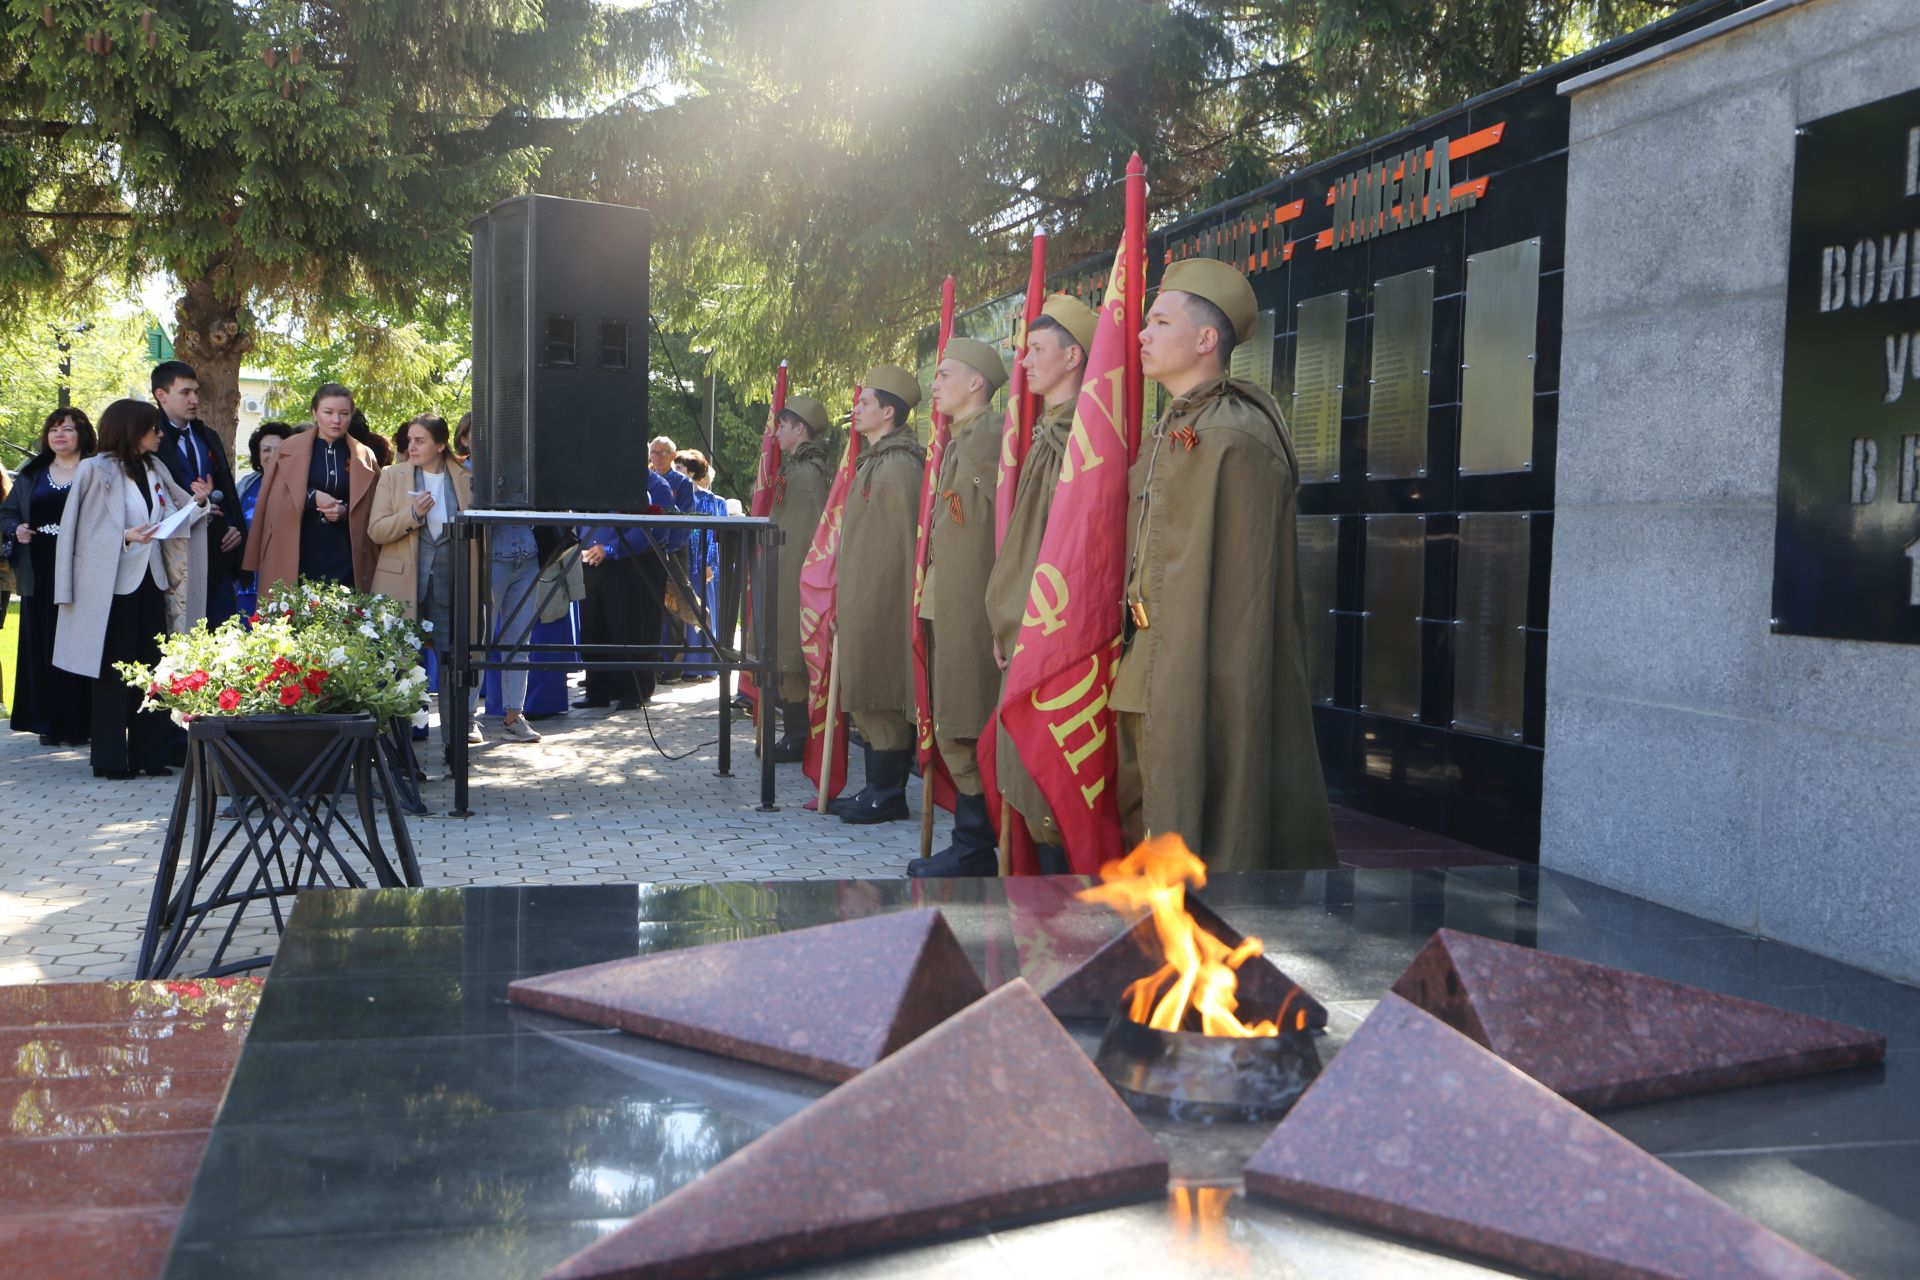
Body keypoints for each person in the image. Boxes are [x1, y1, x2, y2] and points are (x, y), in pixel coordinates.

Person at [1115, 258, 1337, 871]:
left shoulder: (1235, 436)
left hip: (1202, 667)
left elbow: (1244, 594)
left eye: (1160, 321)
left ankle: (1197, 942)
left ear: (1206, 340)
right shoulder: (1171, 427)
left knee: (1203, 812)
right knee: (1144, 804)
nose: (1142, 334)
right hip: (1149, 657)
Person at [982, 294, 1098, 874]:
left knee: (1048, 768)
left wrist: (1022, 621)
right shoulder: (1047, 431)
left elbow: (1062, 551)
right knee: (1020, 766)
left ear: (1074, 357)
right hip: (1022, 624)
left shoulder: (1078, 438)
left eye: (1038, 351)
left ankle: (1060, 908)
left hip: (1050, 629)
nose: (1024, 362)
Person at [53, 399, 212, 779]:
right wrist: (123, 536)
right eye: (153, 428)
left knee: (152, 667)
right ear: (131, 429)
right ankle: (109, 759)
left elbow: (175, 513)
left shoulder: (155, 467)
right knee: (113, 672)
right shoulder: (94, 470)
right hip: (109, 586)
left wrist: (200, 503)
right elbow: (77, 532)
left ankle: (149, 754)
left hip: (151, 580)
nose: (159, 434)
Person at [905, 337, 1009, 876]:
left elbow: (1003, 524)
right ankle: (968, 842)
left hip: (974, 603)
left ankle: (975, 848)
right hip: (947, 601)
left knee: (966, 721)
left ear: (976, 383)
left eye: (946, 374)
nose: (935, 384)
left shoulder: (989, 436)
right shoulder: (958, 439)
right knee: (951, 719)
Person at [828, 366, 926, 825]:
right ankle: (875, 787)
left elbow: (901, 545)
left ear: (889, 411)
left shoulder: (898, 465)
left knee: (883, 691)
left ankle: (889, 793)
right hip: (864, 595)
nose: (857, 407)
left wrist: (882, 601)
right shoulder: (875, 460)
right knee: (866, 690)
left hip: (884, 599)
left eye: (865, 402)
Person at [368, 414, 482, 755]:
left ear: (440, 445)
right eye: (409, 441)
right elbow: (376, 530)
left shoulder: (467, 477)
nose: (411, 447)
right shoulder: (392, 476)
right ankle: (401, 752)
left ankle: (454, 747)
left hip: (454, 587)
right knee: (401, 667)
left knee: (453, 668)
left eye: (420, 441)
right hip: (403, 588)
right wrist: (412, 515)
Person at [2, 408, 97, 745]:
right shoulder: (33, 473)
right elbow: (8, 512)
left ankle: (80, 724)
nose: (59, 435)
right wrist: (17, 529)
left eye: (68, 429)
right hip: (39, 570)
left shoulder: (97, 470)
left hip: (83, 569)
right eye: (53, 429)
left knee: (76, 643)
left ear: (82, 434)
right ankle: (48, 723)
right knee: (43, 642)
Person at [243, 383, 381, 594]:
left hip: (346, 554)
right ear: (314, 412)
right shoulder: (288, 449)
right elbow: (272, 501)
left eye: (344, 413)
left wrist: (344, 510)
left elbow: (375, 506)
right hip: (297, 550)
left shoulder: (365, 456)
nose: (336, 420)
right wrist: (311, 497)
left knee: (345, 619)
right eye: (328, 412)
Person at [763, 398, 834, 761]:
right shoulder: (799, 469)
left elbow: (804, 533)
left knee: (794, 654)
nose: (775, 434)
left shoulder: (806, 474)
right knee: (788, 656)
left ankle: (798, 737)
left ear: (800, 428)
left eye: (782, 425)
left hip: (796, 574)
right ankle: (794, 733)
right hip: (788, 570)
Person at [151, 360, 246, 626]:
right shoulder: (149, 441)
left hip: (218, 553)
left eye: (196, 392)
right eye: (185, 393)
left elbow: (225, 489)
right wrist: (195, 507)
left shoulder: (208, 435)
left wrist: (233, 527)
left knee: (224, 635)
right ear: (162, 396)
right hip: (175, 556)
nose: (194, 400)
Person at [575, 467, 676, 711]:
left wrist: (609, 549)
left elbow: (655, 529)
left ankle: (636, 690)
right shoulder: (600, 481)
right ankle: (597, 690)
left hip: (634, 563)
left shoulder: (657, 485)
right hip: (593, 563)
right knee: (594, 628)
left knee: (633, 629)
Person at [674, 448, 728, 683]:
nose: (676, 472)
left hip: (703, 566)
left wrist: (709, 564)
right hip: (683, 563)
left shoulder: (709, 500)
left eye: (680, 469)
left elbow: (714, 535)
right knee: (685, 613)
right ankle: (687, 666)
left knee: (704, 614)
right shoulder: (678, 497)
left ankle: (706, 666)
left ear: (693, 472)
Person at [234, 421, 295, 622]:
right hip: (247, 576)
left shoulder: (299, 486)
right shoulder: (245, 486)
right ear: (258, 456)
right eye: (266, 450)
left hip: (284, 574)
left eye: (279, 449)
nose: (272, 455)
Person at [647, 435, 695, 680]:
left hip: (673, 550)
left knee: (675, 605)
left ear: (672, 456)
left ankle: (674, 665)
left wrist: (671, 547)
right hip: (648, 550)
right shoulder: (645, 479)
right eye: (654, 452)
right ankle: (651, 662)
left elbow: (685, 520)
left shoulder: (682, 484)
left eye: (662, 452)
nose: (657, 457)